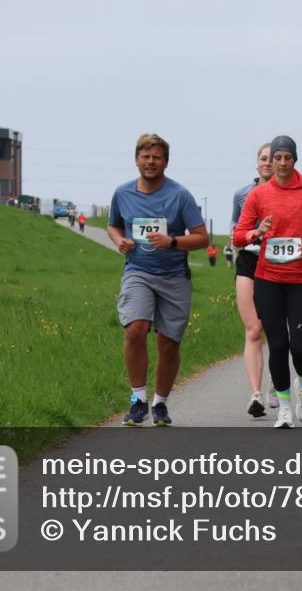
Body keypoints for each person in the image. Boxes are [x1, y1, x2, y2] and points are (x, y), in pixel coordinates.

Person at [107, 133, 209, 426]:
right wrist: (119, 240)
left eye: (157, 158)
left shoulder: (179, 195)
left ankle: (160, 403)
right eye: (145, 157)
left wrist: (172, 242)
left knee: (168, 344)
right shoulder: (122, 193)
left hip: (174, 276)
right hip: (138, 271)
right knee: (136, 330)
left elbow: (202, 237)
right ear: (136, 159)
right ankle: (138, 400)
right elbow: (114, 226)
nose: (151, 162)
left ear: (166, 161)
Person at [233, 135, 302, 429]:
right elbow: (239, 235)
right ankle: (285, 408)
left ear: (294, 160)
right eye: (277, 157)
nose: (281, 163)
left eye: (287, 157)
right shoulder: (258, 195)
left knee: (300, 348)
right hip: (268, 280)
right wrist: (256, 233)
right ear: (272, 160)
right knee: (277, 345)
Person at [232, 144, 279, 417]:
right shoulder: (242, 194)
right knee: (253, 330)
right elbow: (236, 228)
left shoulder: (290, 192)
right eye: (263, 158)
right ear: (256, 163)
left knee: (274, 331)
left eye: (272, 159)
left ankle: (276, 380)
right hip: (248, 261)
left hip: (277, 263)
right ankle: (255, 395)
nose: (267, 163)